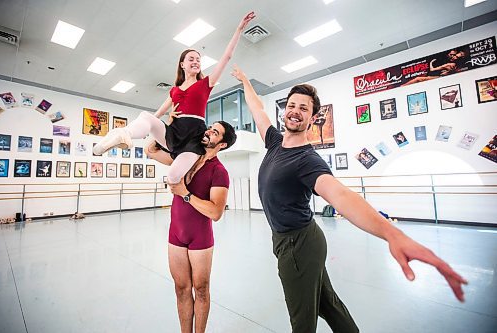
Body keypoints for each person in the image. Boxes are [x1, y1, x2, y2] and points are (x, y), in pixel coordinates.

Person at [231, 65, 467, 333]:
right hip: (296, 239)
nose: (295, 111)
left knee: (302, 320)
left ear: (313, 118)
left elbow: (340, 195)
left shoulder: (307, 160)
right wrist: (245, 80)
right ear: (285, 110)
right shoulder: (274, 141)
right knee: (327, 304)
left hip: (298, 244)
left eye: (304, 108)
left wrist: (392, 234)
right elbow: (257, 110)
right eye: (292, 105)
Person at [93, 12, 255, 185]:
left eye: (198, 60)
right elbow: (158, 114)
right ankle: (122, 134)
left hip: (193, 136)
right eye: (191, 59)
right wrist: (144, 129)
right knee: (146, 116)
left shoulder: (206, 84)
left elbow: (227, 56)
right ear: (182, 64)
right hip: (174, 131)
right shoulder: (174, 91)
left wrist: (238, 29)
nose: (195, 62)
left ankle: (186, 180)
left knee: (172, 177)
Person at [167, 120, 237, 333]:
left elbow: (216, 212)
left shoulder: (219, 171)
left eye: (215, 132)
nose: (208, 132)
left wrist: (185, 194)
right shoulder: (188, 157)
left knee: (201, 289)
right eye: (210, 128)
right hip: (176, 234)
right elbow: (152, 150)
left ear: (222, 144)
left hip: (200, 237)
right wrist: (170, 123)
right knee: (181, 289)